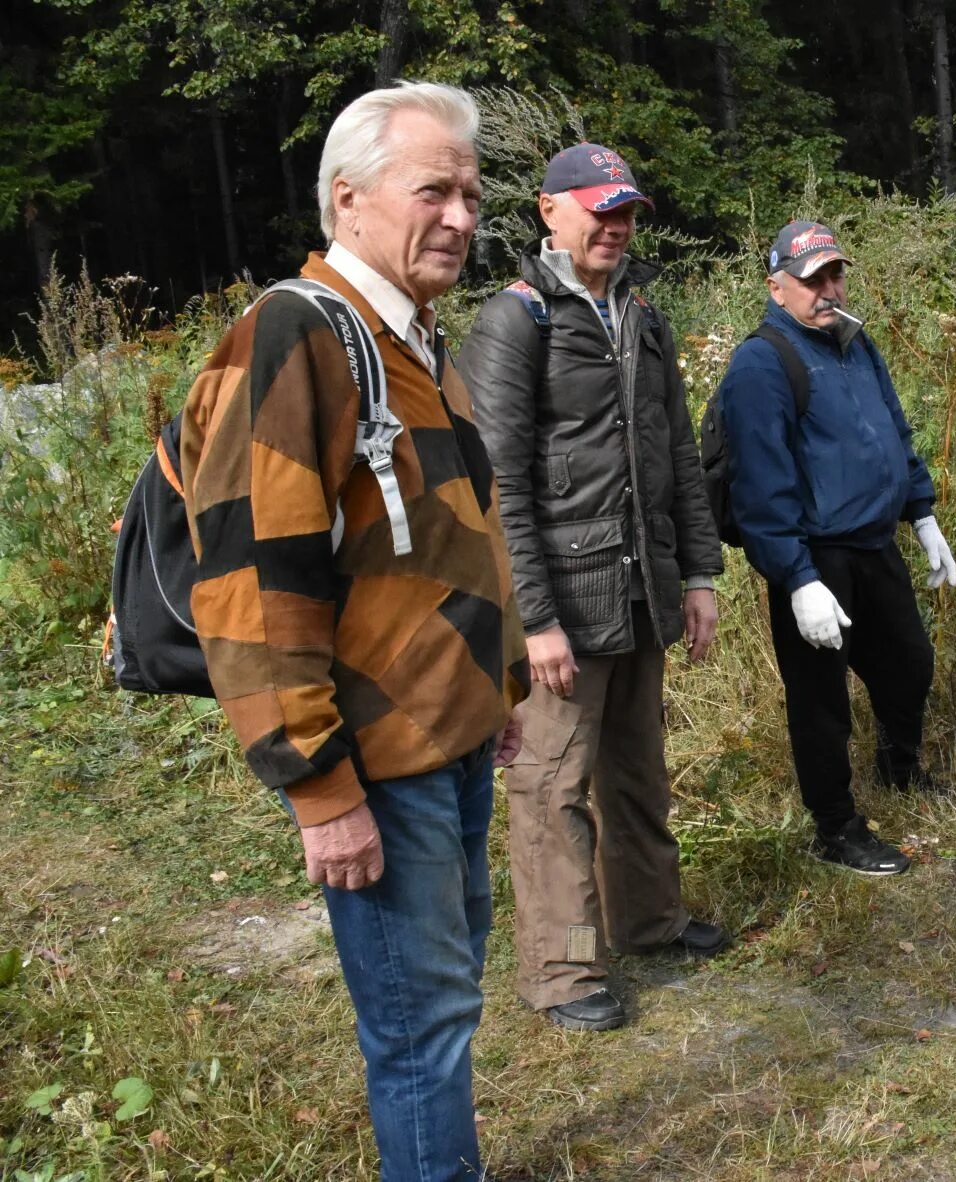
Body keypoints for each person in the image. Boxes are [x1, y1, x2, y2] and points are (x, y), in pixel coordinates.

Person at [180, 83, 528, 1181]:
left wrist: (498, 689)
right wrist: (321, 794)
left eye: (473, 193)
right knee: (422, 1036)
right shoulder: (294, 334)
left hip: (448, 739)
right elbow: (249, 585)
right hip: (379, 765)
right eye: (437, 189)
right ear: (350, 199)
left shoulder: (408, 336)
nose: (465, 217)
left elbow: (435, 544)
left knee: (447, 1005)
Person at [457, 143, 728, 1033]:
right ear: (548, 211)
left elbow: (678, 455)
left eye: (625, 213)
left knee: (637, 770)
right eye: (597, 209)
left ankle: (647, 921)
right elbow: (498, 485)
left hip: (643, 588)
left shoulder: (642, 318)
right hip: (562, 604)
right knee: (551, 785)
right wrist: (533, 618)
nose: (614, 226)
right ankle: (562, 969)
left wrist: (697, 574)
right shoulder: (516, 321)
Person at [713, 220, 956, 876]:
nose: (827, 288)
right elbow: (760, 485)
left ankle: (899, 770)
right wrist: (796, 579)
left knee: (909, 664)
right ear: (776, 286)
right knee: (819, 700)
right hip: (815, 558)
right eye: (811, 278)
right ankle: (835, 828)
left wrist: (922, 513)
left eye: (833, 274)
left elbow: (892, 432)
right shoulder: (761, 362)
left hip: (874, 544)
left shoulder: (854, 341)